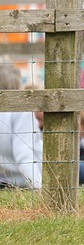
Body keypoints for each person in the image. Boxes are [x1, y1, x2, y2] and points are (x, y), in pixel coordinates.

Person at [0, 60, 41, 189]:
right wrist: (40, 187)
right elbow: (25, 155)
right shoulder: (22, 111)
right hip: (35, 174)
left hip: (5, 180)